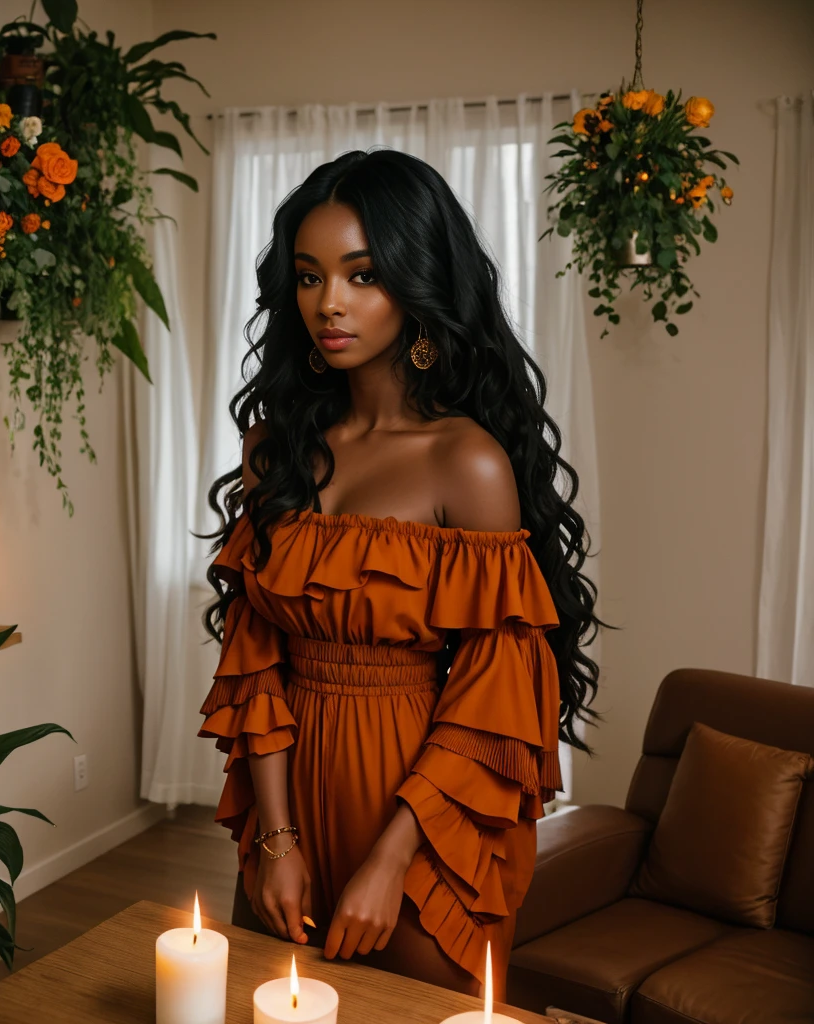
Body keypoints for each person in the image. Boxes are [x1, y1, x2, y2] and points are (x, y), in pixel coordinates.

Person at [197, 149, 604, 1001]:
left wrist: (391, 860)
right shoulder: (276, 449)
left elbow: (496, 693)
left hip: (426, 808)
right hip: (289, 797)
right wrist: (275, 839)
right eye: (308, 277)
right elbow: (255, 653)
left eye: (363, 274)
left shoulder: (469, 463)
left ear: (417, 285)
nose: (328, 304)